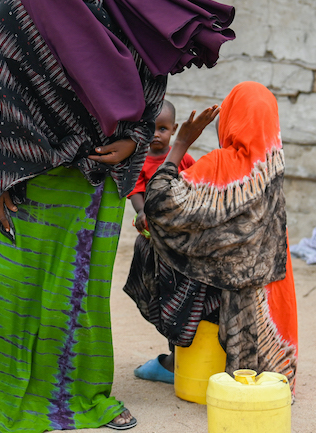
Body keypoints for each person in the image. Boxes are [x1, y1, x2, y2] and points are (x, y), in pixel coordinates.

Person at [0, 0, 235, 433]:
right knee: (4, 287)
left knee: (78, 294)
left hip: (94, 182)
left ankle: (85, 395)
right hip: (27, 181)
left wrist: (134, 140)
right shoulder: (16, 9)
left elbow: (151, 72)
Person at [126, 81, 298, 392]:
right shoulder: (274, 170)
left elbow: (158, 204)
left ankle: (175, 359)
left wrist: (180, 145)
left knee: (149, 245)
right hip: (258, 308)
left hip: (219, 293)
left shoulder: (221, 165)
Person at [129, 100, 196, 238]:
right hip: (151, 220)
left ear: (174, 129)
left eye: (163, 129)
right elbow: (136, 191)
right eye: (151, 128)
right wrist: (142, 211)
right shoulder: (139, 161)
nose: (156, 134)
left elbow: (197, 182)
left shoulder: (184, 158)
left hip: (180, 219)